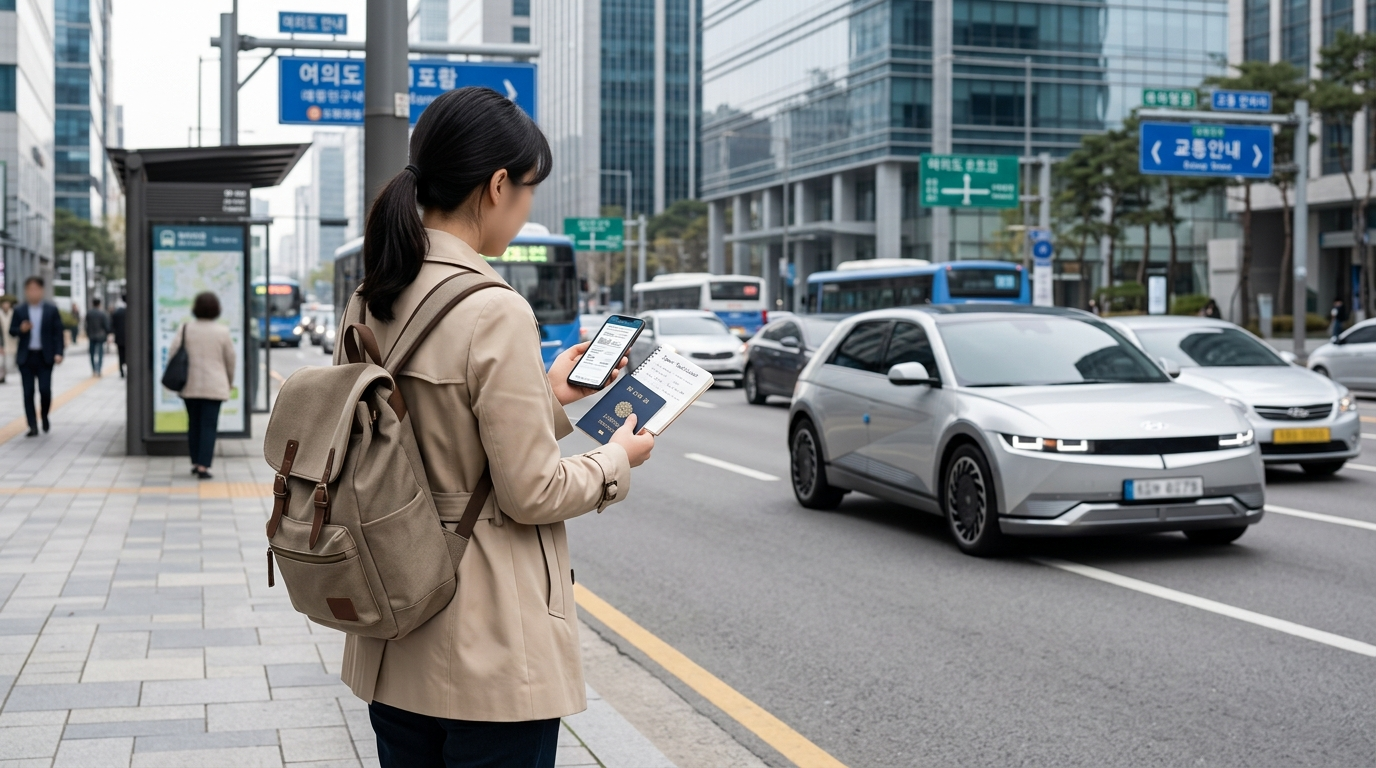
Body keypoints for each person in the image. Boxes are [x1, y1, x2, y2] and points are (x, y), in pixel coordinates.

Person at [340, 87, 655, 768]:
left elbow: (423, 439)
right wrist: (617, 460)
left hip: (393, 627)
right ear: (497, 185)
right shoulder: (494, 308)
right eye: (528, 190)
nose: (525, 209)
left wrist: (551, 396)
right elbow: (530, 492)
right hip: (489, 649)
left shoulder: (372, 293)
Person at [168, 292, 235, 479]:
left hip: (190, 384)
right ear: (216, 310)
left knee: (194, 423)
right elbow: (230, 360)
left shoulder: (186, 329)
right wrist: (229, 381)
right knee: (209, 425)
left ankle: (196, 461)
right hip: (215, 386)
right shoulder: (222, 332)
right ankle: (204, 466)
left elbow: (173, 353)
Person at [9, 276, 64, 436]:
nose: (32, 292)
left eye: (35, 289)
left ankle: (45, 415)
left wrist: (58, 353)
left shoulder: (51, 309)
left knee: (45, 390)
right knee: (28, 392)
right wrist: (21, 329)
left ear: (41, 290)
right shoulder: (19, 310)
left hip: (44, 356)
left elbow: (57, 332)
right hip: (26, 357)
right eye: (29, 289)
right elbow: (12, 331)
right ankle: (32, 425)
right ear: (26, 291)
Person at [84, 298, 112, 376]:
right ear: (99, 304)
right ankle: (99, 369)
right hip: (100, 336)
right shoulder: (102, 313)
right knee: (100, 353)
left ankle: (94, 369)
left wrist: (88, 333)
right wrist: (108, 334)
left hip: (91, 335)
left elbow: (86, 325)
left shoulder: (89, 313)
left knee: (92, 353)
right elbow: (106, 326)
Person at [111, 295, 127, 378]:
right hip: (130, 339)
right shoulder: (133, 311)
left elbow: (113, 325)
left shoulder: (117, 312)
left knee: (120, 355)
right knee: (129, 355)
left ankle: (121, 371)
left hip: (119, 338)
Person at [0, 296, 13, 384]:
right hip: (1, 341)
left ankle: (4, 376)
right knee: (1, 362)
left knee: (9, 363)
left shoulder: (13, 313)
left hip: (11, 341)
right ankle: (1, 376)